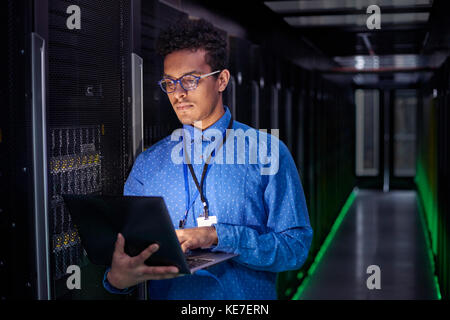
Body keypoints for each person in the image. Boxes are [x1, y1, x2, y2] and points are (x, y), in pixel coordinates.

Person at [103, 18, 312, 300]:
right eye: (169, 83)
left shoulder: (267, 152)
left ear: (222, 80)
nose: (178, 93)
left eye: (190, 80)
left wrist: (219, 236)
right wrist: (118, 280)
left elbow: (294, 249)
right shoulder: (148, 164)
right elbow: (129, 253)